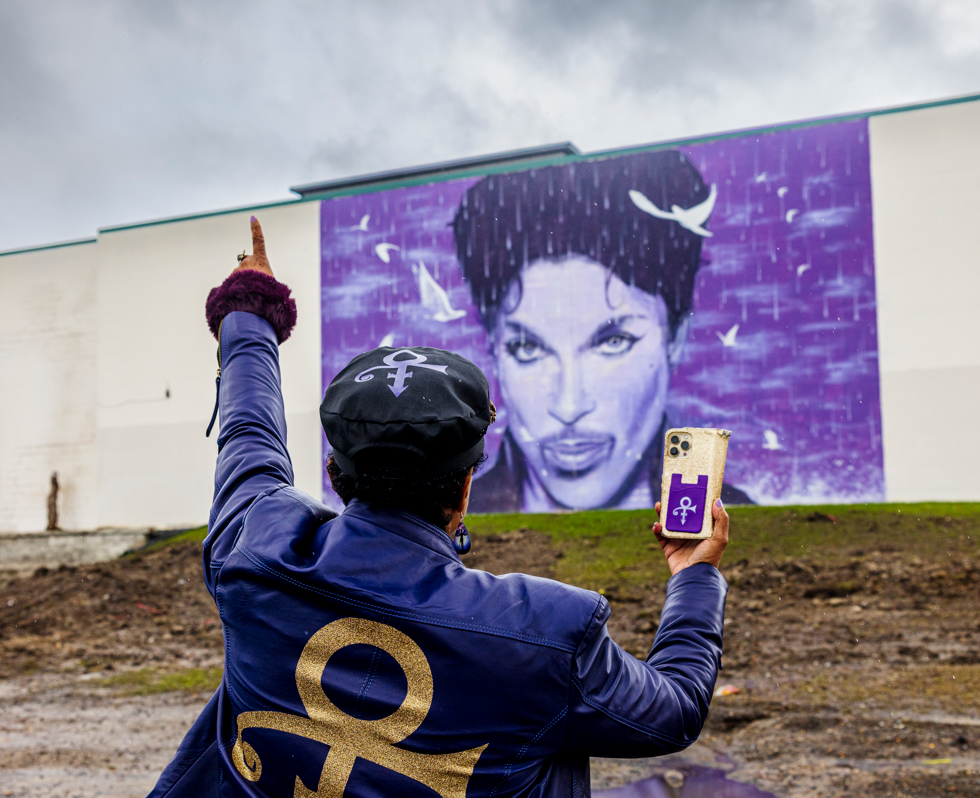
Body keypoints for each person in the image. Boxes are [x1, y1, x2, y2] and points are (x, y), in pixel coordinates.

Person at [147, 218, 730, 798]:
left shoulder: (253, 548)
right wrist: (694, 572)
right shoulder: (542, 633)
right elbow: (674, 709)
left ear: (334, 472)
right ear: (465, 488)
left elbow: (249, 436)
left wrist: (249, 315)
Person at [452, 151, 754, 513]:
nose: (569, 406)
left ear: (674, 337)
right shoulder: (451, 528)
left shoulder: (738, 519)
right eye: (527, 348)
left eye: (613, 342)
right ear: (494, 348)